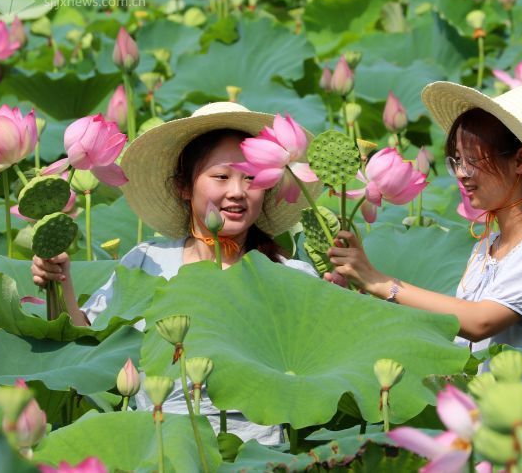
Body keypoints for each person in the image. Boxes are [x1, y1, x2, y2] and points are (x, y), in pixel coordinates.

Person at [31, 102, 320, 445]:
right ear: (185, 186)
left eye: (251, 178)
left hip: (261, 451)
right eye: (222, 176)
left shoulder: (291, 275)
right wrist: (60, 279)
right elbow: (92, 350)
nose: (238, 192)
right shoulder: (147, 262)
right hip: (158, 445)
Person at [327, 83, 522, 428]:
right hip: (480, 432)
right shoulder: (488, 245)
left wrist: (380, 282)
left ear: (521, 161)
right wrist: (362, 293)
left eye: (474, 161)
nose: (462, 175)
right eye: (457, 161)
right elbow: (455, 334)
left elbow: (479, 322)